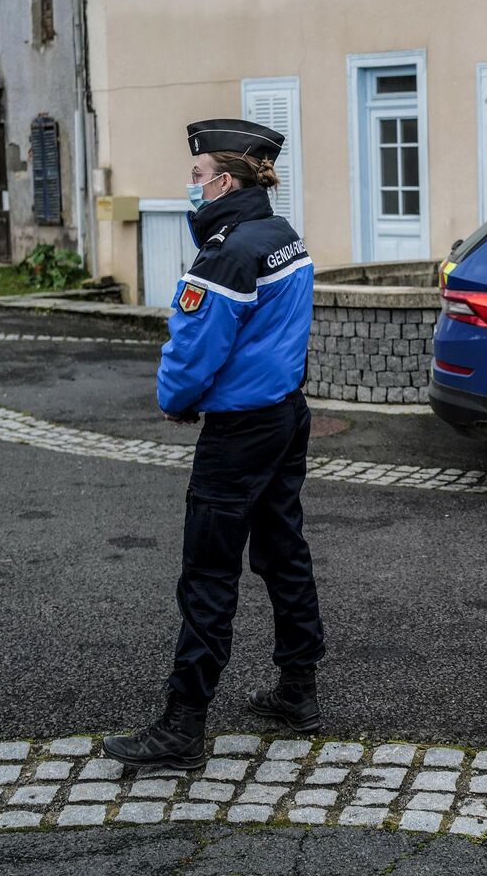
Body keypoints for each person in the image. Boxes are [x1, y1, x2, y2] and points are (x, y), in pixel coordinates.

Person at [102, 118, 324, 770]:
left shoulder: (227, 252)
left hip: (241, 431)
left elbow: (196, 349)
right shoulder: (281, 236)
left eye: (197, 175)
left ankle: (182, 727)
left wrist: (176, 401)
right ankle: (297, 691)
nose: (191, 186)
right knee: (283, 553)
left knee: (207, 573)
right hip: (286, 415)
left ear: (224, 180)